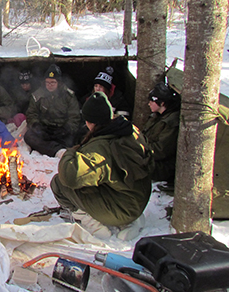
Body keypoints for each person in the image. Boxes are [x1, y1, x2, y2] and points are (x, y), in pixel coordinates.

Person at [51, 92, 153, 238]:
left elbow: (69, 176)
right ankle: (132, 219)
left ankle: (93, 223)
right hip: (139, 198)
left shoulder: (101, 147)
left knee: (59, 183)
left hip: (124, 208)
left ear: (89, 121)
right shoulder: (130, 130)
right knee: (97, 178)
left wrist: (70, 152)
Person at [24, 64, 80, 158]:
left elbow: (74, 116)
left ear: (59, 82)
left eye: (53, 82)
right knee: (29, 136)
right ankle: (58, 150)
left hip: (62, 130)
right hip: (45, 130)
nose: (50, 85)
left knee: (75, 138)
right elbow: (31, 113)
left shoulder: (68, 96)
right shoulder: (38, 95)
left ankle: (51, 148)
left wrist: (66, 129)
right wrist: (37, 126)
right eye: (47, 82)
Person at [142, 82, 181, 184]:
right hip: (150, 157)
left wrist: (139, 150)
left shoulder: (171, 122)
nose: (149, 104)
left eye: (152, 101)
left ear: (162, 103)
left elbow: (161, 150)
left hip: (162, 166)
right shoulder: (156, 116)